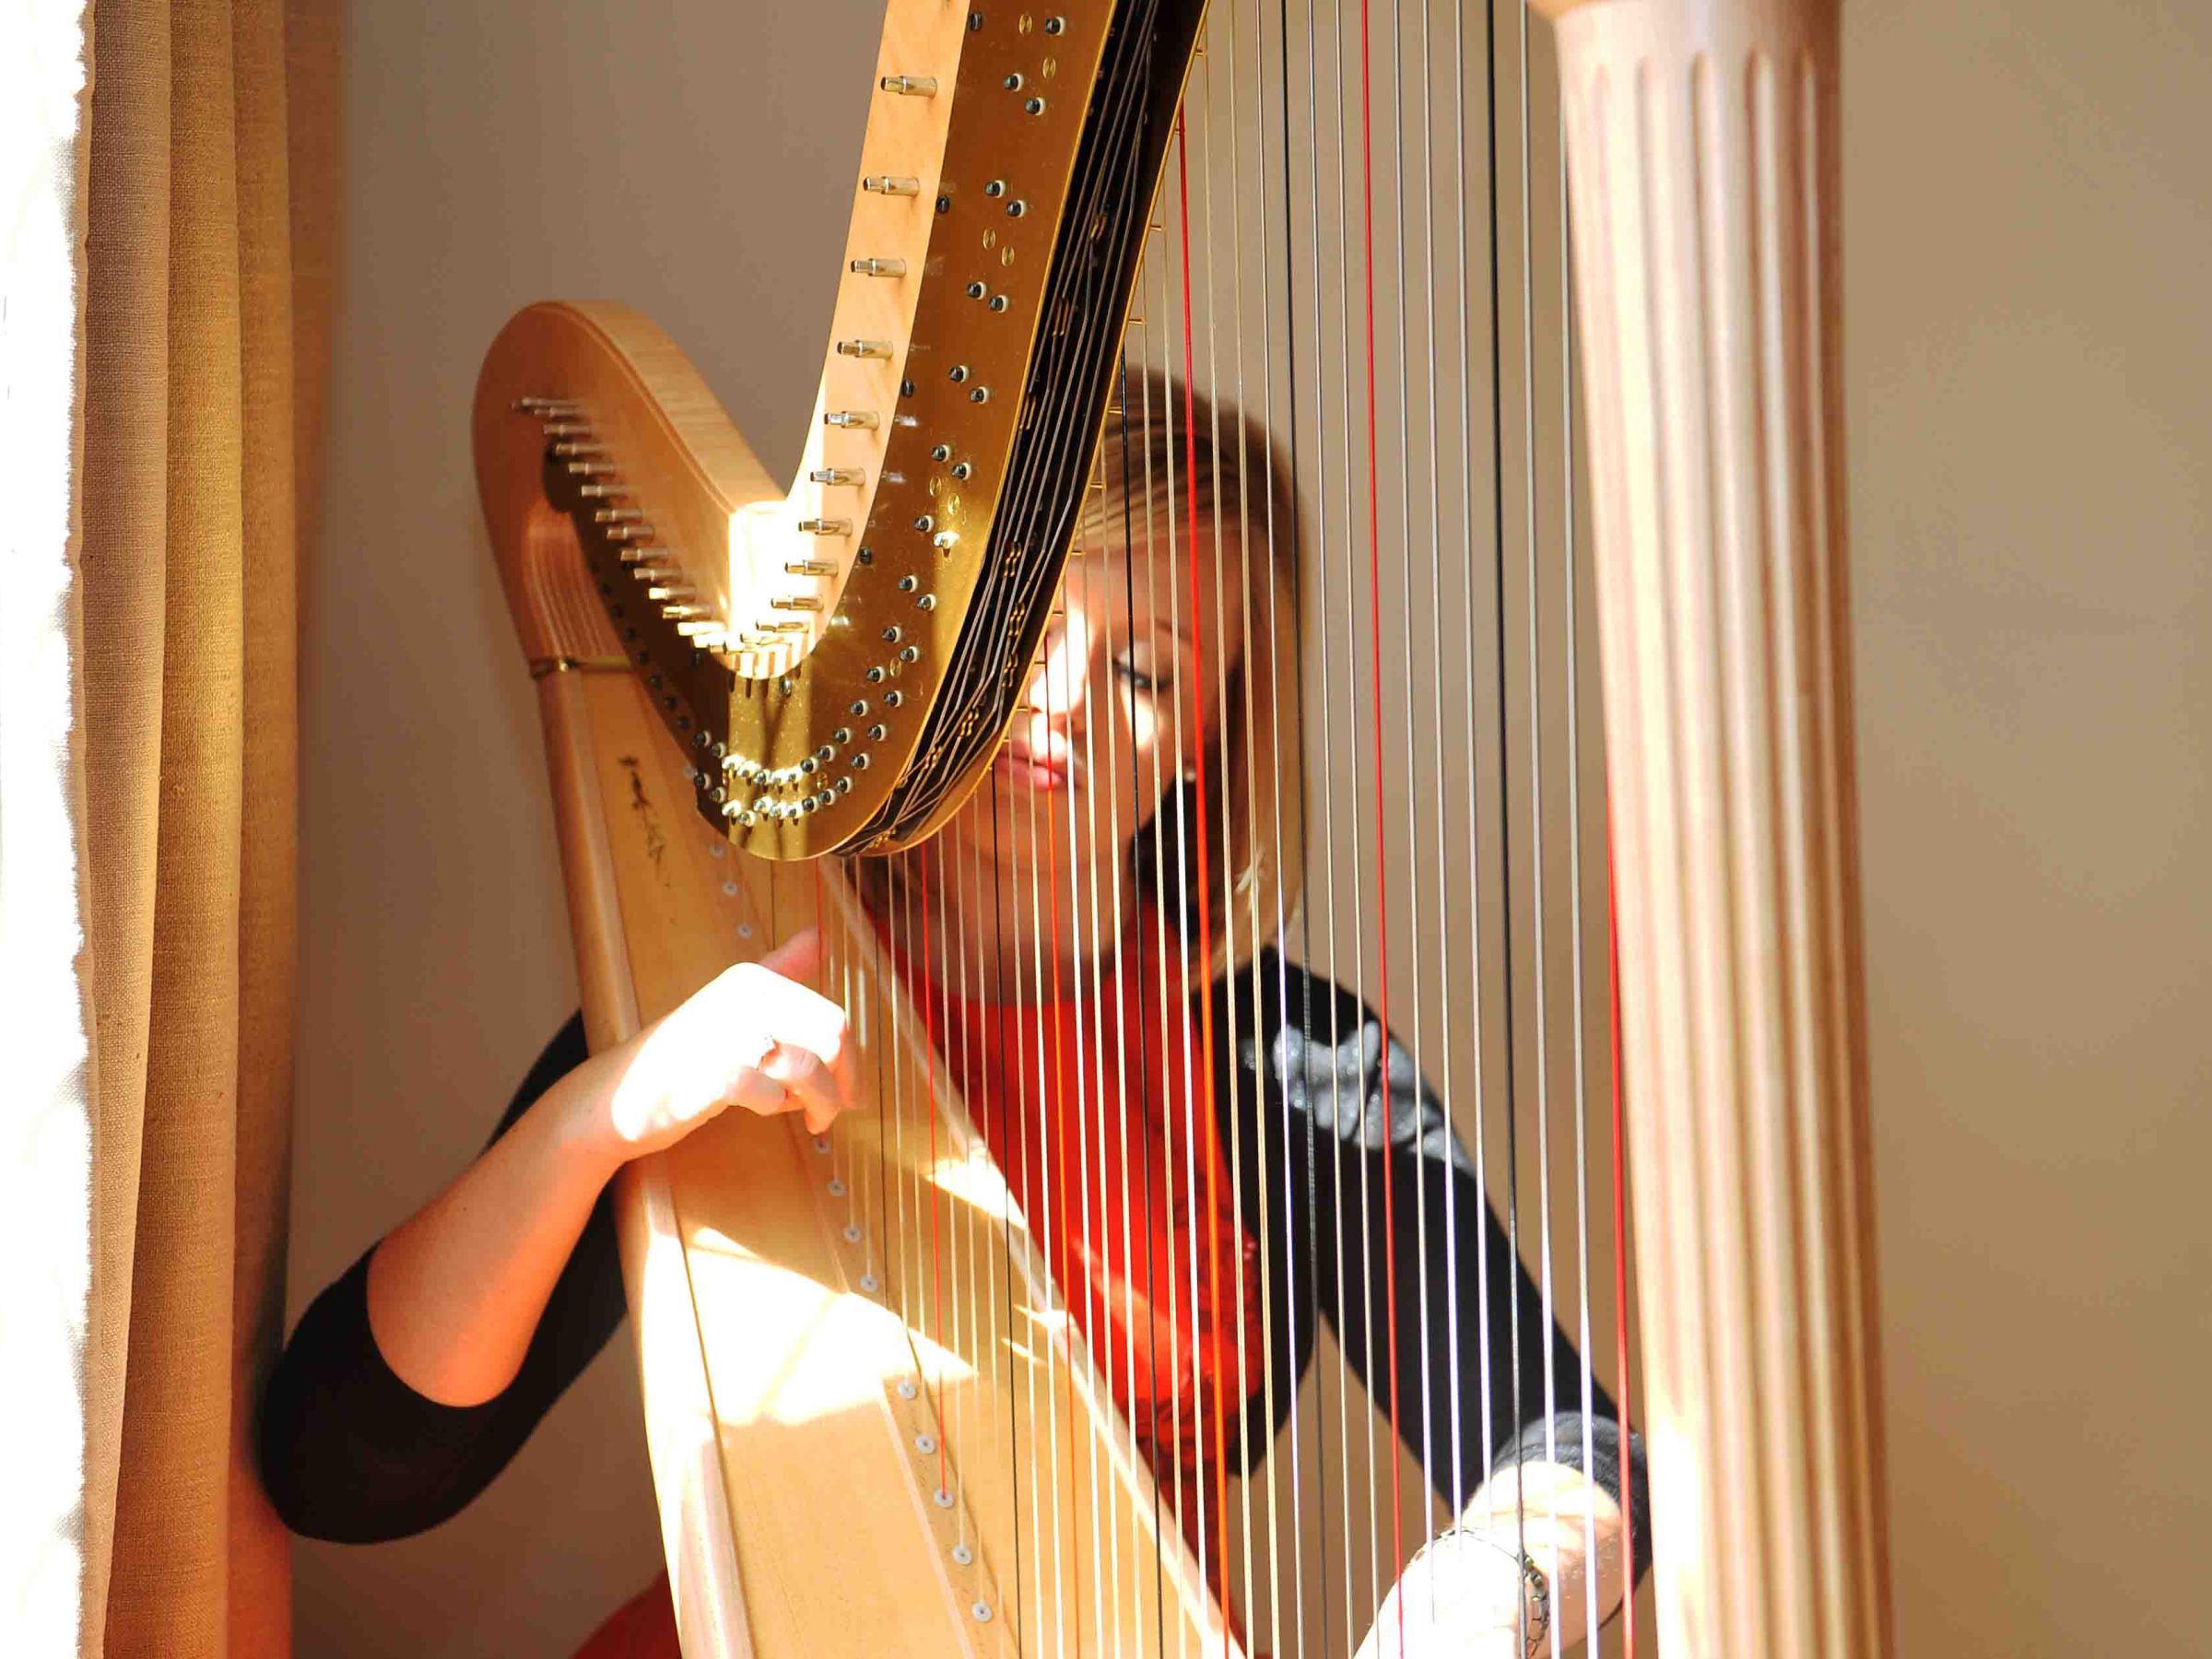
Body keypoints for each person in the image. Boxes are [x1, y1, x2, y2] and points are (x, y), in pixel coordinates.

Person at [261, 372, 1648, 1657]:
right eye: (1028, 633)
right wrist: (598, 1119)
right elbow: (342, 1472)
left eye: (1146, 673)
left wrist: (1492, 1591)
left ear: (1214, 739)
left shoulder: (1293, 1060)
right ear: (927, 648)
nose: (1059, 708)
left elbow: (1574, 1440)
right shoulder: (739, 1003)